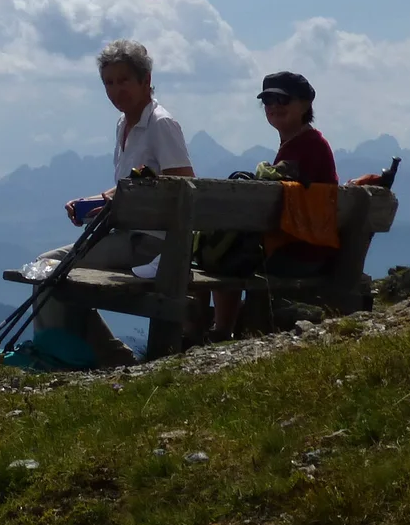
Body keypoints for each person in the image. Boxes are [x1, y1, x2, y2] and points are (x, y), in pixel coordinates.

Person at [26, 39, 195, 367]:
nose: (116, 90)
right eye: (109, 82)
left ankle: (68, 357)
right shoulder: (125, 124)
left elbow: (184, 185)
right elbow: (135, 185)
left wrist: (120, 196)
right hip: (127, 235)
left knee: (51, 269)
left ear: (146, 81)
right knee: (47, 267)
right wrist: (96, 202)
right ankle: (97, 355)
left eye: (124, 80)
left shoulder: (160, 124)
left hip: (151, 244)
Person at [209, 71, 339, 341]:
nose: (274, 106)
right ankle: (220, 330)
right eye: (268, 100)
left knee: (217, 257)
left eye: (283, 99)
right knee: (225, 252)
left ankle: (219, 332)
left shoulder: (306, 148)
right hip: (309, 249)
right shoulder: (305, 143)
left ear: (305, 104)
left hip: (298, 252)